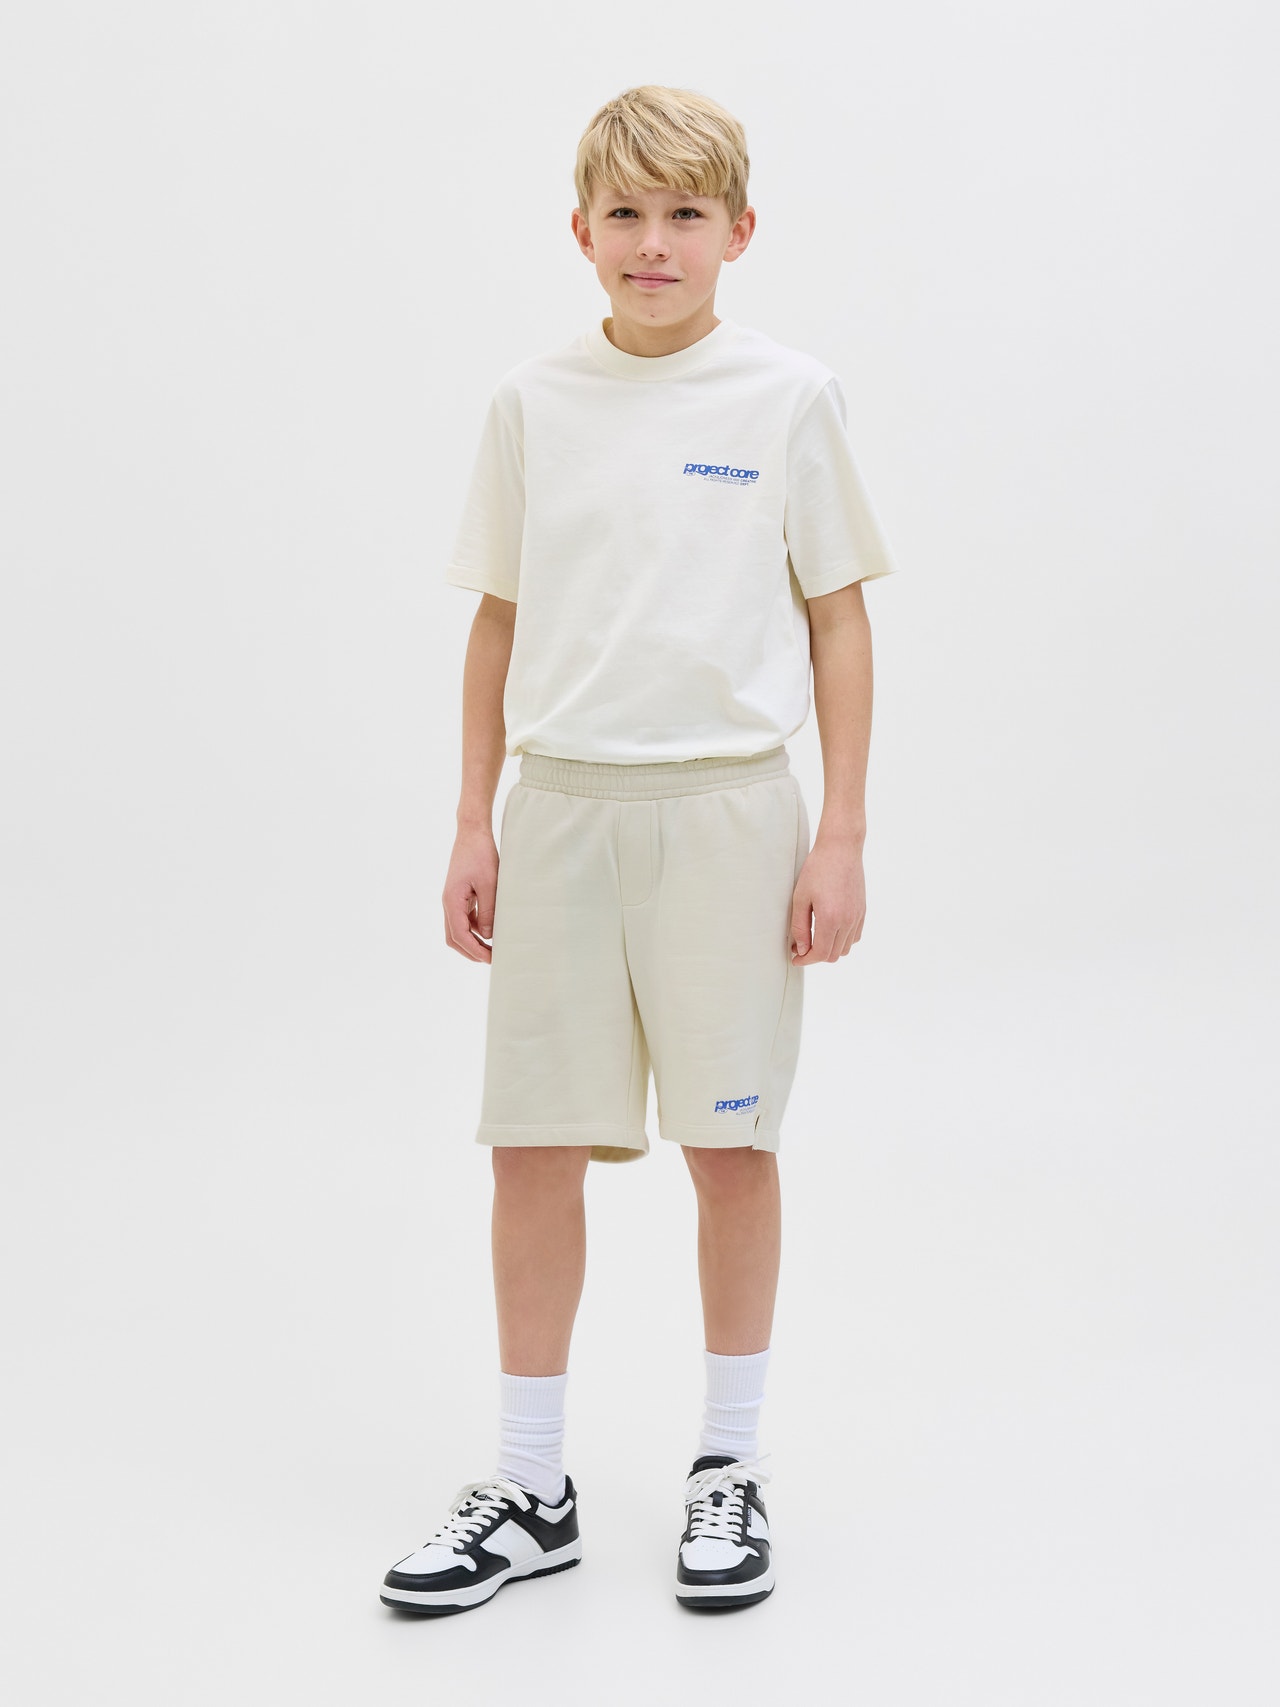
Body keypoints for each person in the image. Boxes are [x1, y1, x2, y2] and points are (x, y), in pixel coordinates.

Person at [381, 83, 897, 1618]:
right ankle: (531, 1486)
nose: (653, 243)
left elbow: (839, 620)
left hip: (729, 814)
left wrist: (842, 831)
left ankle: (727, 1464)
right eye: (625, 214)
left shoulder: (788, 397)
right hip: (561, 813)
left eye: (685, 215)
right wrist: (471, 817)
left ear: (739, 231)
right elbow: (498, 622)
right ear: (580, 232)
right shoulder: (532, 404)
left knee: (730, 1149)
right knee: (532, 1146)